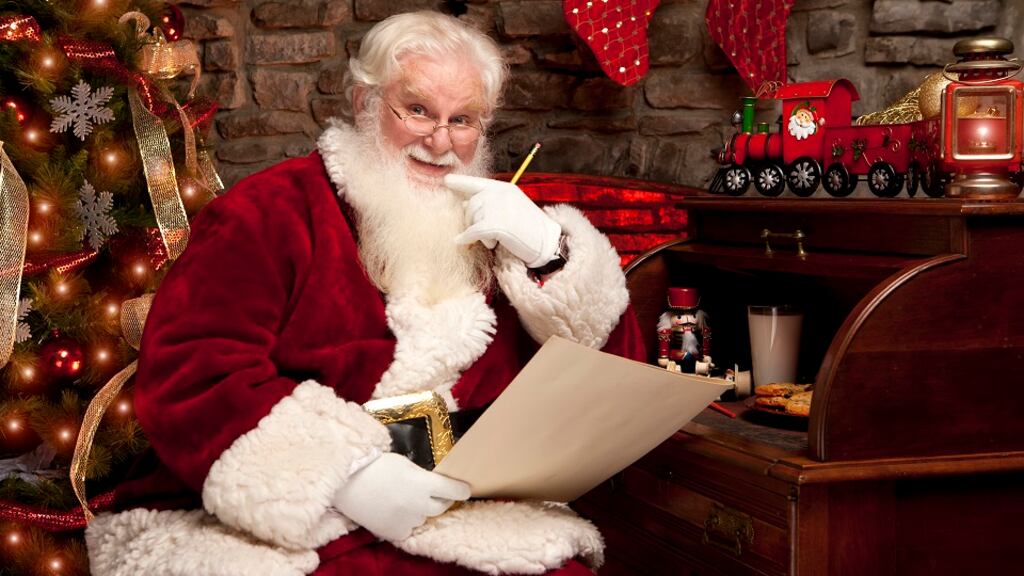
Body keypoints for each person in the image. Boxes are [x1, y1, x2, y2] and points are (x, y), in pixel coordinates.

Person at [85, 10, 644, 576]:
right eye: (419, 110)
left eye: (464, 119)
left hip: (468, 511)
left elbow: (610, 379)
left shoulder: (505, 226)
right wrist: (345, 473)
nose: (440, 141)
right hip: (302, 518)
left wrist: (551, 254)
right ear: (364, 102)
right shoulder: (266, 212)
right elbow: (192, 370)